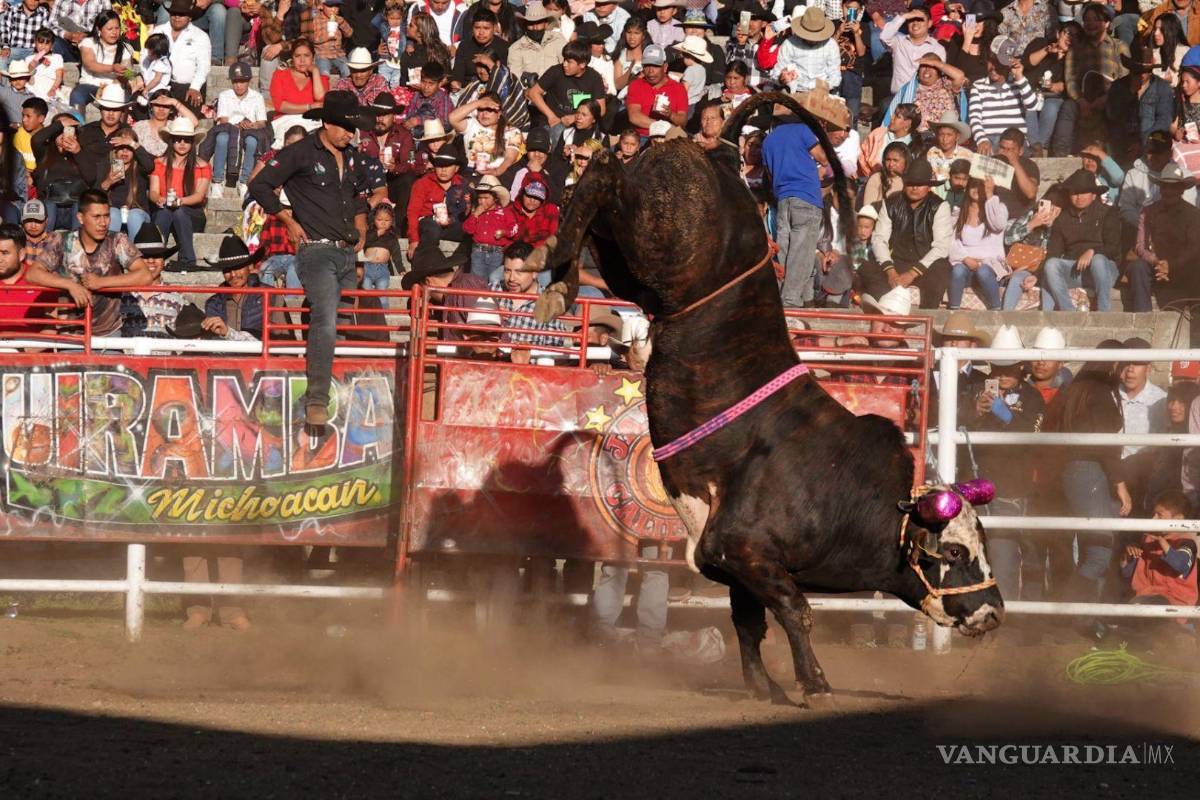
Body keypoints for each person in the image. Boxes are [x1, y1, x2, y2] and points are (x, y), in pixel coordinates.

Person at [248, 91, 377, 427]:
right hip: (316, 250)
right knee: (327, 317)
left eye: (353, 129)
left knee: (345, 322)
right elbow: (260, 186)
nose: (351, 134)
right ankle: (317, 398)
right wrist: (288, 220)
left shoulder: (352, 157)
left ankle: (341, 395)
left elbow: (358, 197)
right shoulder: (300, 152)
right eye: (346, 127)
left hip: (347, 251)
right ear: (326, 123)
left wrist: (361, 228)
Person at [1042, 340, 1132, 627]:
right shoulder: (1101, 394)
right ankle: (1066, 618)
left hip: (1073, 473)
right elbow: (1105, 446)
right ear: (1113, 365)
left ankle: (1081, 620)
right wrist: (1120, 485)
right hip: (1090, 473)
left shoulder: (1074, 392)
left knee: (1094, 551)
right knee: (1099, 553)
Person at [964, 324, 1047, 604]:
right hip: (974, 481)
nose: (1003, 375)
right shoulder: (975, 389)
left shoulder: (1033, 397)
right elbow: (952, 424)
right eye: (998, 368)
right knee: (968, 551)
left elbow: (1032, 436)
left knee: (1003, 552)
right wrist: (976, 410)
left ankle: (1002, 612)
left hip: (1011, 485)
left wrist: (1005, 415)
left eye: (1010, 368)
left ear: (1021, 367)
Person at [25, 190, 152, 337]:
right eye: (96, 217)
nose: (103, 223)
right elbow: (32, 274)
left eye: (106, 216)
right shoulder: (62, 240)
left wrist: (102, 282)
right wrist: (70, 285)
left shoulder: (117, 240)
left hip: (108, 332)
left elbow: (145, 275)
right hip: (70, 333)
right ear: (80, 218)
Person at [861, 159, 952, 310]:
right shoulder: (890, 203)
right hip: (896, 262)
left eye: (920, 184)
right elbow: (879, 239)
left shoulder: (940, 206)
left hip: (925, 264)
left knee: (941, 268)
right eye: (910, 183)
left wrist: (912, 273)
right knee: (866, 267)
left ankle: (928, 316)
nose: (914, 187)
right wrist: (890, 271)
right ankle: (883, 311)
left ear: (929, 187)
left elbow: (941, 247)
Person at [761, 117, 825, 309]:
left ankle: (795, 298)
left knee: (785, 252)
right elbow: (822, 157)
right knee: (801, 254)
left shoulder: (767, 141)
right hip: (806, 197)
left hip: (783, 199)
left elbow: (769, 173)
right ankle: (790, 303)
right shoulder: (803, 130)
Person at [1055, 3, 1129, 156]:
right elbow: (1070, 79)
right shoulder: (1076, 49)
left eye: (1096, 19)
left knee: (1119, 108)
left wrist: (1106, 98)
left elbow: (1125, 79)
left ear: (1107, 23)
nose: (1090, 24)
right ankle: (1060, 156)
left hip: (1111, 98)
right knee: (1068, 108)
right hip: (1083, 99)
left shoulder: (1119, 46)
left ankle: (1118, 155)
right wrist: (1081, 101)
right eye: (1087, 20)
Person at [1042, 169, 1120, 312]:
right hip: (1076, 270)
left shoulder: (1108, 212)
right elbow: (1053, 252)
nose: (1079, 197)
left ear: (1093, 194)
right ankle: (1068, 311)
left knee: (1098, 260)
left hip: (1104, 269)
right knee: (1051, 264)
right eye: (1075, 193)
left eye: (1084, 192)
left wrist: (1093, 251)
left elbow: (1114, 248)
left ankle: (1104, 312)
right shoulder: (1062, 218)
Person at [1128, 163, 1200, 313]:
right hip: (1156, 265)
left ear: (1181, 190)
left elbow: (1194, 248)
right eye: (1165, 187)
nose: (1168, 191)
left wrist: (1171, 265)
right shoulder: (1148, 212)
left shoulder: (1193, 214)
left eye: (1173, 187)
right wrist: (1156, 261)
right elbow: (1140, 245)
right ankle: (1143, 315)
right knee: (1137, 267)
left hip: (1183, 267)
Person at [1120, 490, 1198, 618]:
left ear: (1178, 519)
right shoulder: (1148, 538)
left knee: (1144, 609)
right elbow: (1127, 573)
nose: (1153, 519)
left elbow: (1181, 565)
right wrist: (1128, 558)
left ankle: (1182, 633)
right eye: (1153, 514)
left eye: (1159, 515)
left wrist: (1162, 542)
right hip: (1146, 597)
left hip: (1175, 603)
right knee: (1132, 609)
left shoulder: (1186, 541)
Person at [149, 117, 211, 271]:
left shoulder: (202, 166)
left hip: (192, 212)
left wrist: (179, 201)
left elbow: (199, 196)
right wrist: (159, 199)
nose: (182, 143)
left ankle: (187, 259)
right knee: (164, 212)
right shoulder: (159, 163)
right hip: (165, 208)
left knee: (179, 211)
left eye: (187, 140)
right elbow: (153, 192)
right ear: (171, 141)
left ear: (192, 142)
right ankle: (155, 257)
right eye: (178, 139)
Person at [488, 241, 567, 361]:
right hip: (492, 364)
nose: (511, 278)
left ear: (535, 272)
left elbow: (556, 341)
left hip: (528, 371)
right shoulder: (492, 290)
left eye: (519, 272)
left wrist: (528, 346)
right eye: (507, 271)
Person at [205, 62, 269, 198]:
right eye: (235, 82)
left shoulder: (257, 97)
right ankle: (217, 180)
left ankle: (244, 180)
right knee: (221, 138)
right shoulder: (225, 95)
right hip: (229, 128)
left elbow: (262, 121)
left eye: (242, 81)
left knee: (252, 141)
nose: (239, 85)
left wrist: (251, 125)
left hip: (250, 129)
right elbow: (223, 119)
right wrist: (239, 125)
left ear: (249, 81)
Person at [399, 243, 487, 342]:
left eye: (421, 288)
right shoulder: (447, 296)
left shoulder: (467, 287)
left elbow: (485, 334)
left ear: (428, 282)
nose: (421, 293)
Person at [1105, 40, 1174, 165]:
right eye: (1137, 71)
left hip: (1150, 144)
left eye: (1145, 71)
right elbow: (1112, 115)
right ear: (1130, 70)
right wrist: (1130, 93)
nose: (1142, 75)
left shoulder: (1162, 88)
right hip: (1120, 143)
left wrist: (1143, 143)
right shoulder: (1118, 87)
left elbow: (1163, 122)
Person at [528, 40, 607, 144]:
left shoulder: (594, 78)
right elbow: (534, 93)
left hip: (579, 124)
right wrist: (551, 116)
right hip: (552, 122)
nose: (564, 64)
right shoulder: (555, 71)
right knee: (559, 132)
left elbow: (601, 109)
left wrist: (575, 117)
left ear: (582, 64)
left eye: (569, 62)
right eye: (564, 59)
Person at [948, 177, 1008, 310]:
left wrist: (990, 195)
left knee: (983, 272)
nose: (977, 189)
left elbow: (998, 225)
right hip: (966, 264)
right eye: (974, 185)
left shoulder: (999, 209)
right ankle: (953, 311)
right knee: (957, 271)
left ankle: (996, 309)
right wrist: (965, 258)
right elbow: (951, 241)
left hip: (990, 266)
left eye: (982, 186)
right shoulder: (958, 213)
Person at [120, 226, 186, 338]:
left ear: (164, 261)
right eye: (144, 257)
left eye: (156, 256)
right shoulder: (121, 295)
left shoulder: (177, 297)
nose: (151, 261)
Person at [406, 144, 468, 259]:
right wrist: (413, 239)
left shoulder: (462, 184)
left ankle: (459, 266)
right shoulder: (422, 183)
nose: (443, 170)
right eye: (439, 165)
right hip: (427, 223)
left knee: (468, 229)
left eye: (448, 166)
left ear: (456, 168)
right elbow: (413, 212)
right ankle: (427, 263)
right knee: (432, 228)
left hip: (451, 223)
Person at [1024, 22, 1077, 156]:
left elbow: (1074, 83)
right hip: (1032, 92)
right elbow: (1027, 62)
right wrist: (1047, 50)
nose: (1070, 38)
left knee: (1051, 108)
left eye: (1075, 35)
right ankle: (1038, 147)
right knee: (1028, 106)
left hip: (1053, 97)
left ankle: (1038, 147)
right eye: (1067, 33)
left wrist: (1059, 86)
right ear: (1058, 33)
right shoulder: (1041, 43)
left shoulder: (1074, 57)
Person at [152, 0, 213, 114]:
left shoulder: (200, 36)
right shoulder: (158, 31)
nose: (177, 17)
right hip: (160, 84)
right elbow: (146, 57)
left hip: (188, 88)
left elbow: (203, 66)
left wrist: (195, 87)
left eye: (181, 14)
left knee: (189, 116)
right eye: (174, 13)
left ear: (190, 17)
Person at [203, 236, 265, 339]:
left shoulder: (271, 296)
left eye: (237, 267)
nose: (233, 275)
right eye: (227, 270)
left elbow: (284, 342)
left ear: (250, 266)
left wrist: (228, 332)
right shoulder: (213, 303)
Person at [450, 91, 526, 176]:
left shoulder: (512, 131)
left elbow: (510, 158)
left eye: (489, 110)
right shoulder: (471, 125)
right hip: (471, 175)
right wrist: (478, 103)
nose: (484, 113)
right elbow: (452, 118)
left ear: (499, 113)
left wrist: (497, 172)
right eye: (481, 109)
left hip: (498, 177)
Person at [101, 125, 154, 241]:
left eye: (128, 148)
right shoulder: (106, 166)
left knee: (134, 215)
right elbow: (95, 195)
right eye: (121, 147)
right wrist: (107, 182)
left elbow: (150, 166)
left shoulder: (139, 166)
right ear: (115, 150)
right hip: (115, 212)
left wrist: (132, 143)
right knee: (113, 213)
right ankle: (111, 254)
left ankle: (134, 256)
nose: (125, 151)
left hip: (137, 212)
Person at [72, 10, 133, 110]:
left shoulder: (126, 48)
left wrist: (126, 74)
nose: (114, 32)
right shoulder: (88, 43)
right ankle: (77, 124)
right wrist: (113, 68)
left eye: (117, 28)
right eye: (110, 29)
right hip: (90, 86)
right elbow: (90, 64)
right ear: (99, 30)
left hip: (113, 89)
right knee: (77, 93)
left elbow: (129, 74)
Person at [0, 222, 54, 336]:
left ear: (21, 254)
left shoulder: (42, 279)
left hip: (32, 350)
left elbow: (51, 328)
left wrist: (26, 351)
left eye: (5, 253)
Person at [625, 43, 688, 137]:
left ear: (665, 67)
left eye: (655, 66)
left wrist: (671, 115)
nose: (650, 71)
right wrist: (662, 126)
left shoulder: (678, 88)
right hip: (643, 137)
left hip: (669, 138)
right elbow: (634, 116)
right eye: (646, 66)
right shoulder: (636, 85)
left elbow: (682, 121)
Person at [268, 37, 330, 134]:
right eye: (297, 56)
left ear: (313, 57)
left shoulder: (320, 79)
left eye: (306, 55)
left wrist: (315, 71)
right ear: (292, 58)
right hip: (285, 123)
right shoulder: (280, 75)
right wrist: (309, 107)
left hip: (311, 124)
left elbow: (321, 99)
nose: (302, 60)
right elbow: (280, 106)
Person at [462, 174, 518, 279]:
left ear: (496, 198)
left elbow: (514, 229)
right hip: (478, 252)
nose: (482, 201)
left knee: (493, 280)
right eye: (480, 198)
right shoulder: (476, 212)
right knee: (476, 281)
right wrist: (475, 215)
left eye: (486, 198)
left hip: (497, 253)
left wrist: (503, 232)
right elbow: (467, 229)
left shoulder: (505, 212)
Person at [773, 7, 840, 93]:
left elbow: (835, 76)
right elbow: (777, 72)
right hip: (794, 92)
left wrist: (818, 86)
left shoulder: (831, 45)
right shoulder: (789, 44)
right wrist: (783, 78)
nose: (811, 38)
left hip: (821, 92)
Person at [880, 7, 945, 93]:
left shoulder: (937, 48)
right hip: (898, 97)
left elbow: (938, 77)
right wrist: (904, 16)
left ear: (929, 24)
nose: (915, 23)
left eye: (920, 20)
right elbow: (884, 36)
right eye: (912, 19)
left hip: (924, 98)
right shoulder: (899, 41)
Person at [507, 2, 566, 84]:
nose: (535, 28)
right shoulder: (516, 48)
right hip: (529, 93)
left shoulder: (557, 39)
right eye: (531, 23)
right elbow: (515, 80)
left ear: (546, 24)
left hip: (556, 91)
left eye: (538, 23)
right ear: (525, 25)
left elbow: (567, 65)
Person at [133, 91, 199, 160]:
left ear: (171, 110)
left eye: (166, 106)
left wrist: (174, 102)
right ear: (151, 107)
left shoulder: (175, 126)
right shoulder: (139, 126)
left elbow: (194, 123)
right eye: (157, 105)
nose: (161, 109)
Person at [925, 111, 972, 190]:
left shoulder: (967, 155)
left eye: (949, 135)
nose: (944, 139)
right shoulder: (932, 152)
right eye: (941, 134)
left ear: (957, 137)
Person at [0, 0, 51, 72]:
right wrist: (5, 47)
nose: (33, 2)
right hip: (14, 49)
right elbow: (5, 30)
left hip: (33, 51)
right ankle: (5, 83)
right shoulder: (12, 10)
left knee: (41, 65)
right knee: (1, 60)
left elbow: (45, 34)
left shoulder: (43, 12)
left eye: (36, 0)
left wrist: (40, 53)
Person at [861, 141, 908, 206]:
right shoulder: (876, 179)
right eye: (888, 160)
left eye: (895, 160)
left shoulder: (911, 181)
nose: (891, 164)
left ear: (906, 161)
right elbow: (868, 208)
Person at [26, 28, 64, 103]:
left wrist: (53, 89)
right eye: (40, 43)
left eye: (47, 44)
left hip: (50, 86)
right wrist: (37, 59)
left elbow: (59, 77)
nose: (43, 46)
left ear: (52, 45)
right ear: (35, 43)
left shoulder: (57, 57)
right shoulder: (29, 58)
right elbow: (28, 72)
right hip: (34, 86)